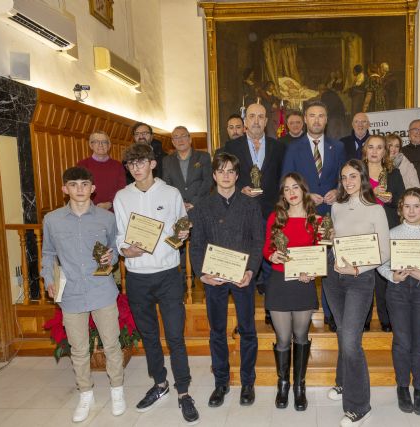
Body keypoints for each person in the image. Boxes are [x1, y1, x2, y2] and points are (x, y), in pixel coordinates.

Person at [113, 144, 199, 424]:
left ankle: (184, 392)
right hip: (137, 276)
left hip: (168, 274)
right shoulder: (121, 197)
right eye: (131, 164)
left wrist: (183, 232)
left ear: (152, 164)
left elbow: (180, 226)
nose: (136, 168)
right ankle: (160, 384)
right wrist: (126, 250)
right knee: (149, 336)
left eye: (141, 162)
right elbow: (119, 234)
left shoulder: (170, 193)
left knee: (175, 336)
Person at [41, 166, 125, 423]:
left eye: (84, 184)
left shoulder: (106, 218)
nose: (79, 189)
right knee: (78, 349)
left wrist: (112, 257)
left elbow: (114, 247)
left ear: (93, 188)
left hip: (101, 289)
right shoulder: (52, 220)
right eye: (74, 184)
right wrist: (47, 278)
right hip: (71, 291)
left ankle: (117, 390)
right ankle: (85, 393)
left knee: (112, 344)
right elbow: (48, 253)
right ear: (64, 189)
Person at [189, 152, 264, 408]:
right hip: (214, 280)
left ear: (237, 175)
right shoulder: (202, 207)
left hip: (243, 277)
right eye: (221, 171)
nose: (226, 176)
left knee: (248, 331)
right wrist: (202, 274)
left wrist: (251, 271)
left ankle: (247, 382)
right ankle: (221, 382)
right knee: (217, 331)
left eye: (231, 171)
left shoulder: (250, 205)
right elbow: (196, 245)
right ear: (214, 175)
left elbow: (258, 241)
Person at [323, 159, 390, 427]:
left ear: (362, 177)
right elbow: (333, 242)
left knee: (351, 339)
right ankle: (343, 381)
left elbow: (384, 252)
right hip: (333, 277)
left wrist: (360, 266)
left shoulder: (376, 209)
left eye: (353, 176)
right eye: (344, 177)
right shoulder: (335, 206)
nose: (348, 181)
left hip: (360, 279)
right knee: (343, 332)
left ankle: (359, 406)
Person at [377, 188, 420, 416]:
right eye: (407, 206)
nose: (411, 210)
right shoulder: (392, 233)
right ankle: (402, 387)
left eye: (416, 206)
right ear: (401, 209)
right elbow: (381, 263)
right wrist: (392, 276)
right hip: (398, 290)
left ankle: (419, 388)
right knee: (402, 341)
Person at [281, 100, 346, 332]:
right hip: (303, 214)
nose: (317, 120)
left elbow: (344, 177)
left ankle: (330, 314)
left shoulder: (337, 147)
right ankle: (304, 312)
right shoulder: (293, 148)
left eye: (321, 116)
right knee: (306, 265)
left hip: (330, 214)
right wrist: (307, 195)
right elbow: (287, 181)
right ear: (305, 119)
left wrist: (338, 190)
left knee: (329, 264)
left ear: (326, 120)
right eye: (312, 116)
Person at [263, 173, 321, 411]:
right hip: (279, 282)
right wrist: (271, 255)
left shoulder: (316, 219)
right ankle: (283, 383)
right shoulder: (276, 217)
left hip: (303, 284)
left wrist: (313, 271)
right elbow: (267, 246)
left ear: (303, 189)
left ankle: (300, 385)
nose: (291, 193)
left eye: (295, 187)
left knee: (300, 336)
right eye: (286, 189)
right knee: (283, 338)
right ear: (283, 195)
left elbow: (320, 251)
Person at [223, 102, 285, 297]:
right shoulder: (231, 147)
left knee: (271, 254)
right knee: (246, 255)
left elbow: (283, 178)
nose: (256, 120)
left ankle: (271, 303)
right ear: (245, 122)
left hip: (270, 210)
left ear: (266, 121)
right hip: (242, 211)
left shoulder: (278, 147)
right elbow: (224, 177)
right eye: (252, 116)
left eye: (260, 117)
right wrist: (240, 189)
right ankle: (245, 296)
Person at [361, 135, 406, 332]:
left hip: (387, 228)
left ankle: (386, 318)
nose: (374, 151)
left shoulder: (393, 173)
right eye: (371, 147)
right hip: (362, 229)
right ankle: (364, 319)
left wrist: (389, 199)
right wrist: (373, 194)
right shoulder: (356, 172)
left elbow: (402, 201)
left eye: (379, 148)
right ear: (365, 149)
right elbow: (348, 197)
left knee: (384, 278)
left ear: (384, 151)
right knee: (363, 277)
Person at [162, 126, 213, 212]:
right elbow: (167, 185)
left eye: (183, 136)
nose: (180, 140)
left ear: (190, 139)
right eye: (176, 137)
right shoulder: (167, 160)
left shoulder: (203, 156)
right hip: (177, 208)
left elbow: (208, 181)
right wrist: (180, 203)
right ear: (173, 142)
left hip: (201, 206)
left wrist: (194, 202)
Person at [77, 130, 126, 211]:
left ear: (109, 145)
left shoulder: (118, 165)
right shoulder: (82, 165)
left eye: (104, 142)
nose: (100, 145)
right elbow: (80, 188)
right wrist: (95, 205)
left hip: (114, 210)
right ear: (91, 145)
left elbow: (121, 188)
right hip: (90, 210)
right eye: (96, 142)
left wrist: (110, 203)